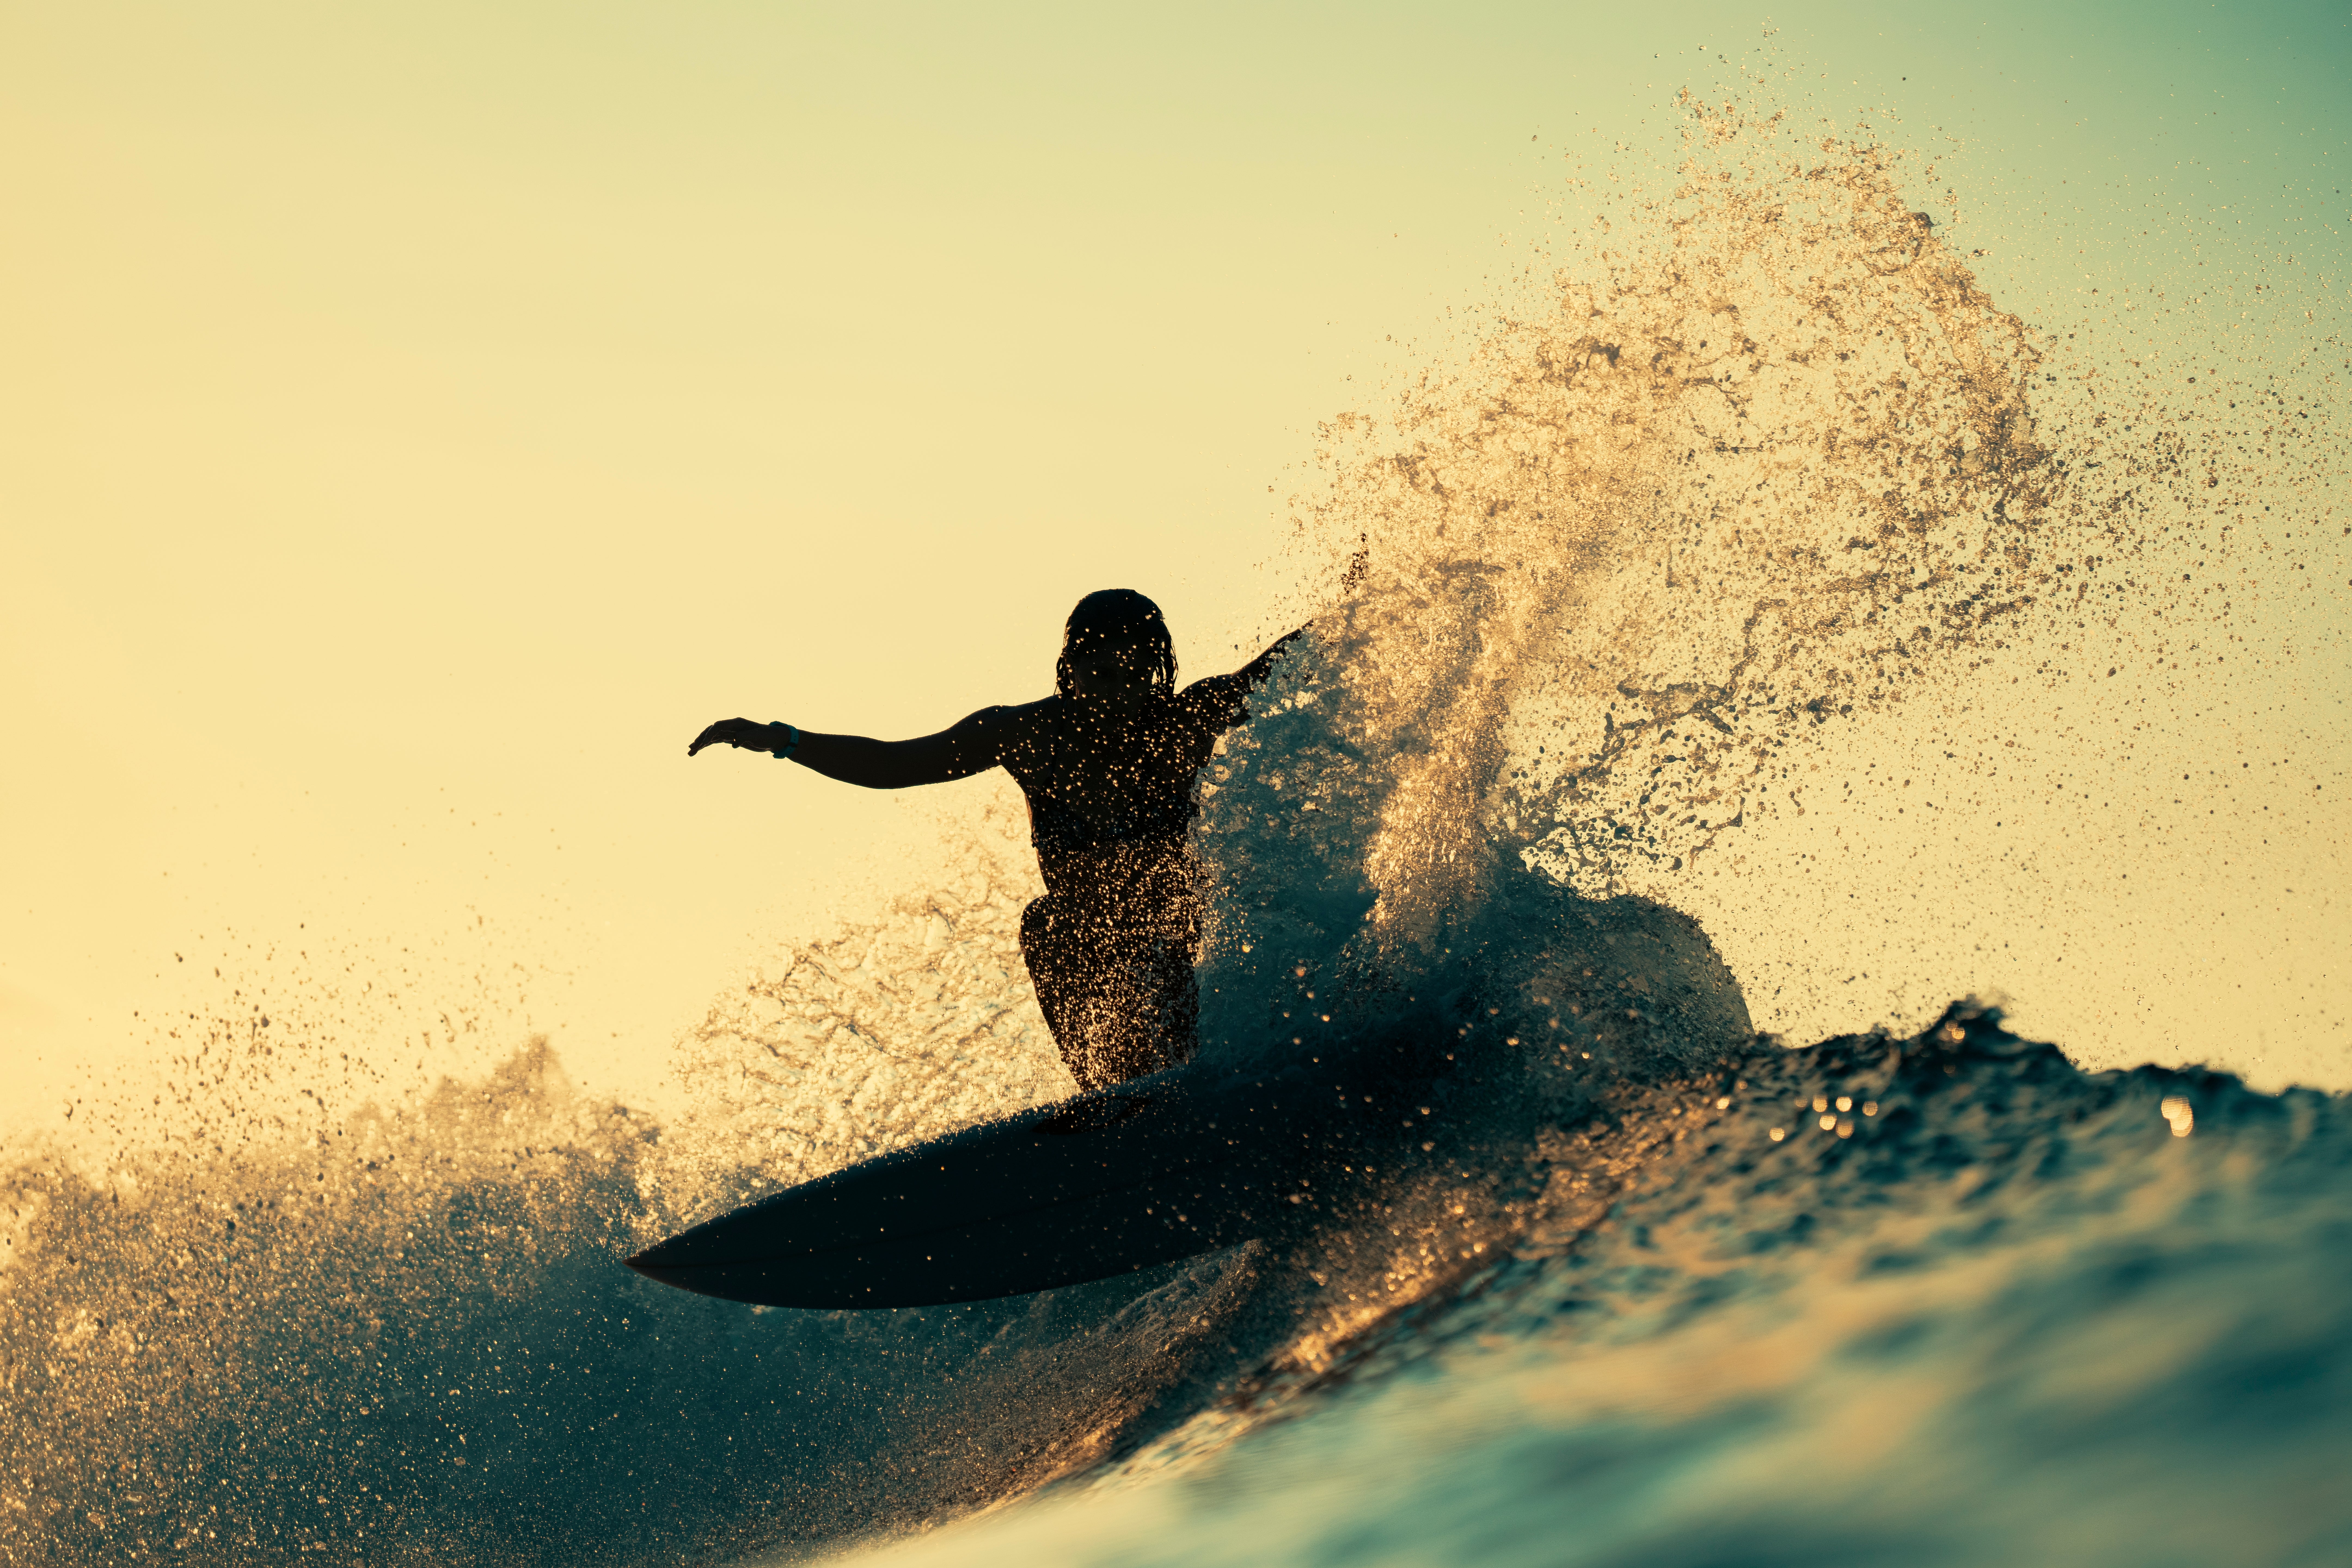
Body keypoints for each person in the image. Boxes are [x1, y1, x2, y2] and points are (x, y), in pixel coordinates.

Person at [688, 590, 1305, 1091]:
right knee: (1049, 925)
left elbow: (1298, 660)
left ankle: (1196, 1079)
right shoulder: (1029, 736)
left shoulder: (1188, 723)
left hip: (1196, 951)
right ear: (1072, 674)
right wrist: (785, 740)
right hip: (1102, 952)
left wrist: (1373, 594)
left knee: (1200, 924)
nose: (1121, 692)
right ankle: (1113, 1101)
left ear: (1161, 677)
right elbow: (896, 764)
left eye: (1137, 676)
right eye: (1103, 674)